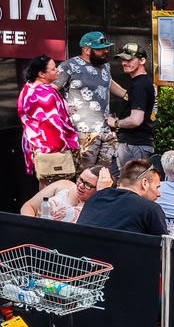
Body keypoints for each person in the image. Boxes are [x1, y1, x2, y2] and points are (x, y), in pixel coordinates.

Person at [56, 32, 128, 172]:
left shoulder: (105, 66)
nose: (105, 51)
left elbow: (109, 84)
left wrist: (130, 95)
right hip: (81, 132)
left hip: (105, 130)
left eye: (106, 48)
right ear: (87, 49)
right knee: (83, 176)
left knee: (104, 175)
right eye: (100, 49)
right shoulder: (68, 66)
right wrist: (62, 107)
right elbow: (51, 89)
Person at [18, 54, 79, 185]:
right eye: (53, 69)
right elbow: (51, 124)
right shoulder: (44, 94)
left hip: (37, 145)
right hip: (50, 147)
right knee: (55, 187)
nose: (57, 70)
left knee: (46, 183)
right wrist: (63, 146)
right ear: (41, 74)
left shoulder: (29, 88)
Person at [77, 158, 167, 234]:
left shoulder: (94, 198)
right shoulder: (150, 209)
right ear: (144, 183)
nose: (158, 194)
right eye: (157, 187)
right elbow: (163, 250)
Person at [107, 42, 157, 170]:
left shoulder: (139, 85)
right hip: (138, 144)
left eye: (130, 59)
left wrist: (116, 123)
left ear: (142, 60)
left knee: (129, 184)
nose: (125, 63)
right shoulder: (142, 82)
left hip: (134, 144)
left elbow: (136, 120)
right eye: (123, 59)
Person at [22, 165, 108, 222]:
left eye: (88, 185)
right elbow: (29, 206)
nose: (81, 185)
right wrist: (32, 227)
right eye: (80, 180)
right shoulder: (64, 185)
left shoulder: (98, 206)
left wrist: (103, 193)